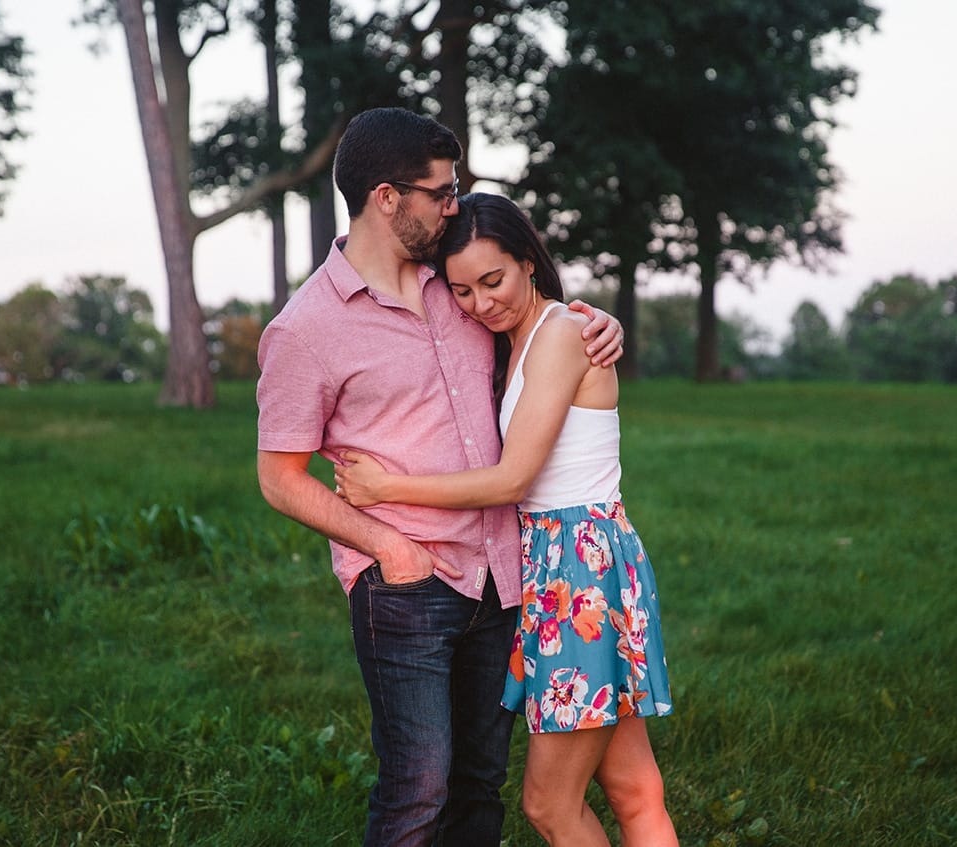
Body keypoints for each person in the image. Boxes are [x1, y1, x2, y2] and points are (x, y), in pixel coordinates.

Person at [254, 109, 625, 847]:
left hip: (504, 573)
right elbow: (278, 477)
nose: (454, 204)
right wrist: (386, 546)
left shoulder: (456, 286)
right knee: (418, 784)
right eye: (441, 191)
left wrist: (595, 320)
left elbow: (534, 324)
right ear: (387, 197)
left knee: (477, 782)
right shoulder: (306, 329)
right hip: (406, 584)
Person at [334, 192, 678, 847]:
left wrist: (386, 484)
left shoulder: (559, 334)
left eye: (493, 281)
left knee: (549, 805)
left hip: (579, 566)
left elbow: (512, 478)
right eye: (461, 290)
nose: (480, 303)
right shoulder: (513, 339)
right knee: (633, 789)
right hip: (564, 562)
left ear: (527, 261)